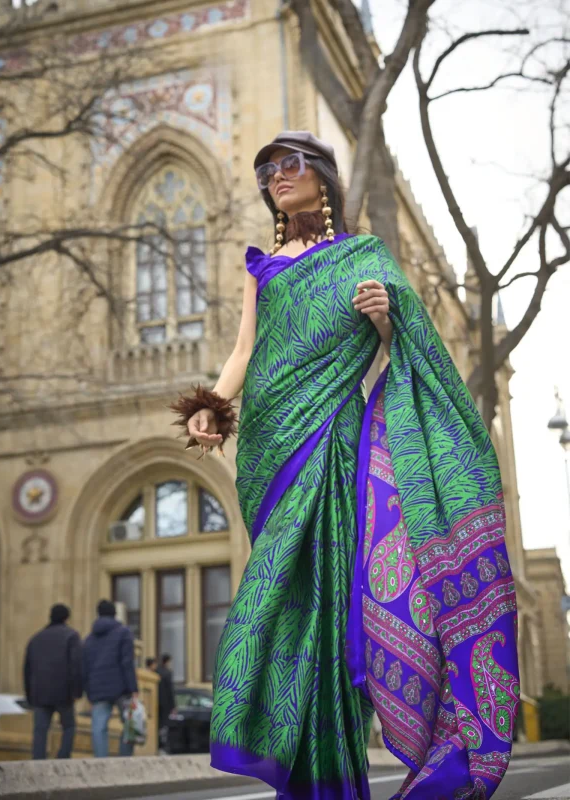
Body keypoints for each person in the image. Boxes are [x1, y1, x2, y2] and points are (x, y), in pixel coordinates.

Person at [171, 131, 520, 800]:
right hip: (269, 452)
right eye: (268, 168)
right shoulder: (262, 267)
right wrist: (212, 405)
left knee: (334, 610)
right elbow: (245, 350)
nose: (278, 175)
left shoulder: (362, 256)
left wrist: (388, 320)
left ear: (322, 177)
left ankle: (333, 781)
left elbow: (400, 346)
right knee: (280, 600)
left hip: (334, 442)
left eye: (291, 164)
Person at [23, 603, 82, 760]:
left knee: (40, 730)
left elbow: (27, 670)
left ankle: (38, 761)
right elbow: (75, 666)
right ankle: (62, 758)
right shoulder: (71, 636)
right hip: (63, 693)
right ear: (66, 618)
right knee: (69, 726)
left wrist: (29, 696)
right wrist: (77, 691)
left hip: (39, 693)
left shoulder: (35, 639)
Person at [82, 599, 139, 758]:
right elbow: (127, 662)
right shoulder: (124, 632)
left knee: (99, 728)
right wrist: (133, 688)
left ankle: (101, 763)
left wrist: (89, 691)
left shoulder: (89, 639)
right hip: (122, 688)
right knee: (130, 724)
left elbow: (84, 667)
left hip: (98, 688)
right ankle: (124, 760)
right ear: (115, 614)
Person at [156, 653, 176, 747]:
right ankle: (163, 744)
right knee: (164, 724)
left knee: (157, 723)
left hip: (155, 701)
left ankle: (157, 742)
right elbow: (170, 691)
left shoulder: (156, 671)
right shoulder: (168, 673)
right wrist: (173, 706)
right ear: (167, 661)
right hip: (166, 703)